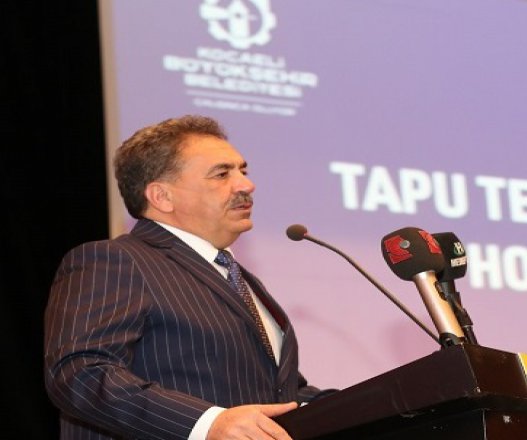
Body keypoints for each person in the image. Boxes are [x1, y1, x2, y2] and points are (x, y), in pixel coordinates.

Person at [44, 115, 326, 439]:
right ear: (162, 197)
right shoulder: (117, 260)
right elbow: (80, 374)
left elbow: (275, 394)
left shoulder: (237, 278)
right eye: (222, 174)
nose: (247, 185)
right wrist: (207, 424)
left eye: (243, 171)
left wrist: (365, 404)